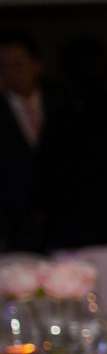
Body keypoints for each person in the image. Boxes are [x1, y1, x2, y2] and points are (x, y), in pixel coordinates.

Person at [0, 30, 59, 252]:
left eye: (17, 64)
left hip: (63, 223)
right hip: (17, 229)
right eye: (3, 66)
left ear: (37, 65)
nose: (10, 73)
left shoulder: (60, 104)